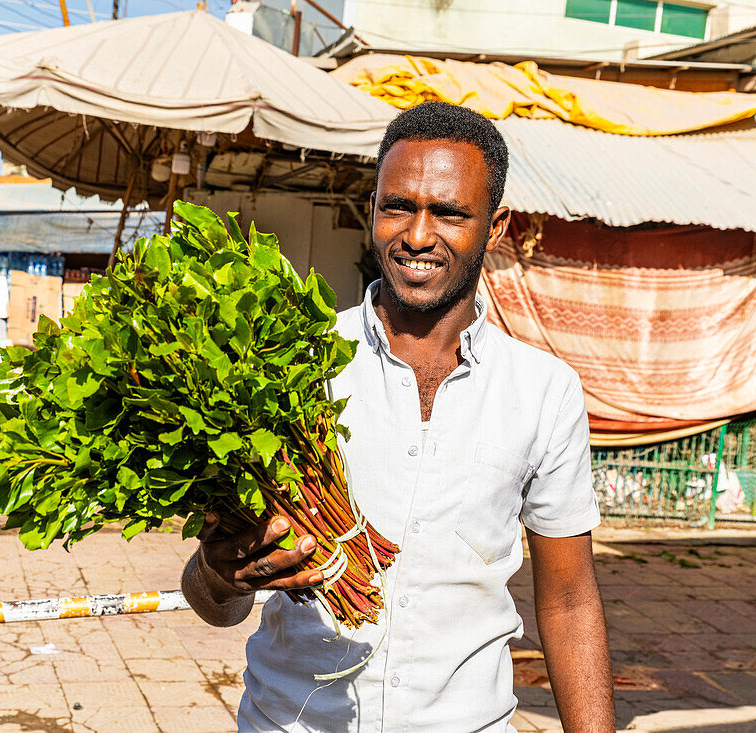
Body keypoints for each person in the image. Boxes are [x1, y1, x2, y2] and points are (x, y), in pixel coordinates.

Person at [181, 102, 614, 732]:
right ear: (373, 209)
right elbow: (212, 601)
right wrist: (219, 578)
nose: (415, 235)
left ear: (495, 227)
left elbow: (571, 602)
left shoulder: (544, 392)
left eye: (448, 213)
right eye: (397, 206)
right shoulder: (289, 369)